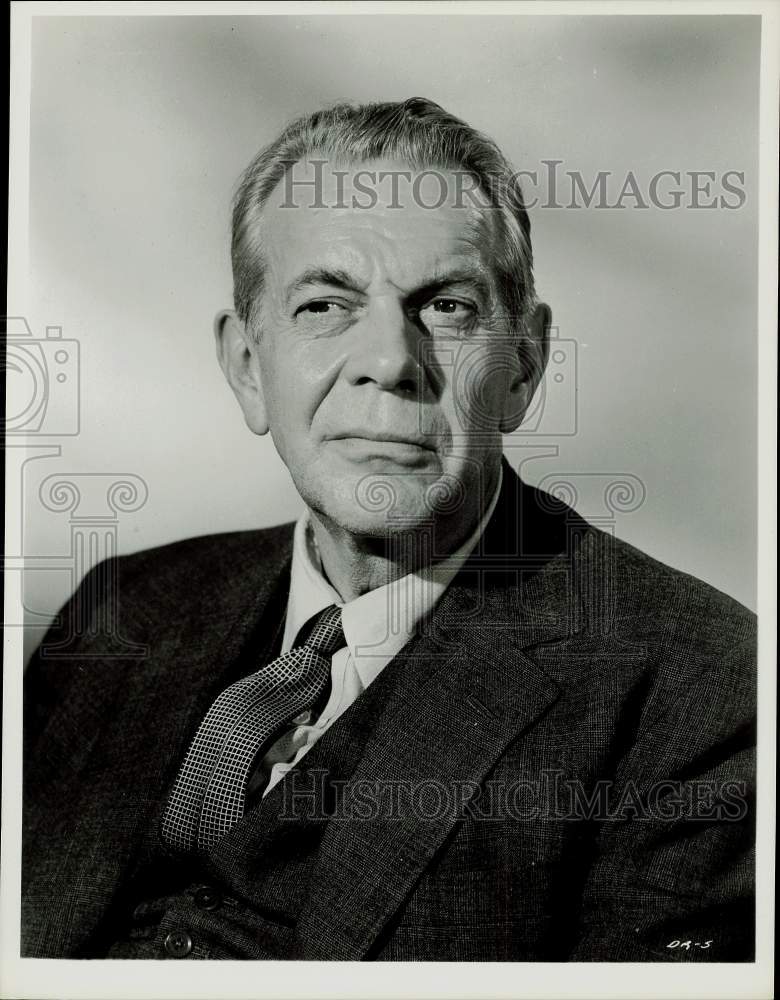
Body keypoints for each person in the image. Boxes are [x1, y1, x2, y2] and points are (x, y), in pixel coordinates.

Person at [22, 97, 756, 962]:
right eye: (325, 306)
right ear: (248, 368)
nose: (390, 362)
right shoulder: (126, 608)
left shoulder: (701, 691)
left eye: (445, 307)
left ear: (523, 365)